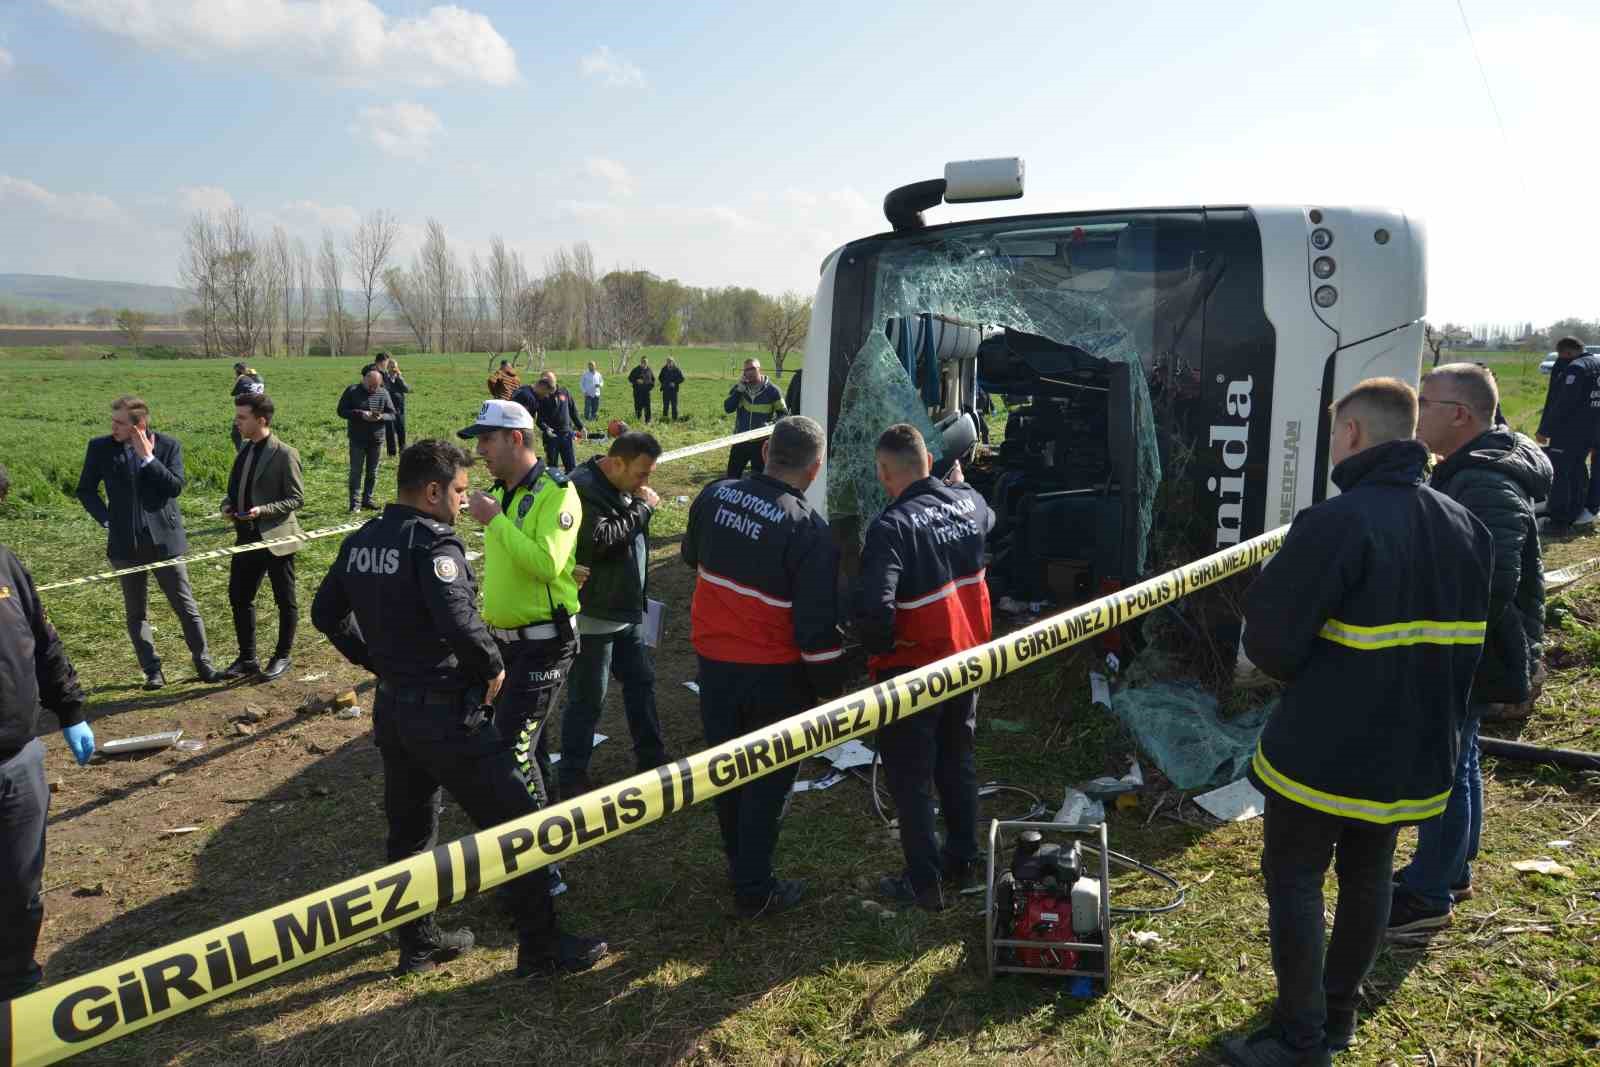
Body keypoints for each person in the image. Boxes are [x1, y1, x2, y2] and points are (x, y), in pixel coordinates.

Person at [1223, 378, 1491, 1066]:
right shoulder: (1467, 526)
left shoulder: (1337, 522)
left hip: (1324, 753)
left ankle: (1297, 1035)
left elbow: (1272, 643)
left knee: (1296, 876)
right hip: (1414, 751)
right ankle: (1338, 1016)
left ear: (1352, 434)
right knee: (1369, 874)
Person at [311, 440, 607, 978]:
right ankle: (541, 947)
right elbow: (462, 627)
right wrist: (493, 670)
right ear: (431, 492)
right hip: (447, 716)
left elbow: (324, 612)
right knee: (515, 822)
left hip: (395, 712)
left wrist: (378, 662)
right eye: (459, 491)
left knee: (410, 830)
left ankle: (418, 943)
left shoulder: (362, 542)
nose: (462, 502)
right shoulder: (433, 547)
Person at [1388, 365, 1550, 935]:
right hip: (1477, 647)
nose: (1416, 414)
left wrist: (1430, 632)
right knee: (1462, 756)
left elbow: (1490, 580)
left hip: (1475, 649)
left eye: (1426, 402)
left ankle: (1428, 894)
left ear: (1460, 415)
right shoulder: (1470, 469)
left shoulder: (1484, 481)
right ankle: (1450, 870)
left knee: (1447, 766)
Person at [682, 416, 844, 917]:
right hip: (774, 674)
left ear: (766, 450)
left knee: (726, 768)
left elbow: (690, 555)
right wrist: (830, 688)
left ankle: (738, 861)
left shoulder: (714, 495)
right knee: (768, 780)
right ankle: (754, 887)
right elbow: (815, 629)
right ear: (814, 470)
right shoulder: (809, 530)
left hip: (713, 661)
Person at [854, 425, 993, 911]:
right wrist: (956, 488)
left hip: (913, 673)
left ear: (884, 472)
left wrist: (880, 646)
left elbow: (875, 610)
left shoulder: (891, 527)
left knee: (911, 780)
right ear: (928, 461)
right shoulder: (971, 503)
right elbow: (985, 512)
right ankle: (964, 858)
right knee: (957, 761)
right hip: (968, 661)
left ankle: (924, 882)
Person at [459, 399, 583, 815]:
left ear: (516, 438)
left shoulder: (556, 492)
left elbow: (547, 565)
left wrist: (495, 521)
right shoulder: (500, 493)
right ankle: (550, 832)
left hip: (544, 645)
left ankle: (541, 865)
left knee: (511, 750)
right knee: (531, 747)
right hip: (504, 645)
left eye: (487, 439)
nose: (480, 451)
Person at [0, 463, 93, 1002]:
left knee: (20, 883)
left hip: (19, 759)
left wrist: (71, 709)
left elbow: (43, 640)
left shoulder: (6, 565)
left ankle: (19, 983)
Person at [75, 395, 219, 688]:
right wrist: (107, 519)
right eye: (112, 420)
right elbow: (86, 490)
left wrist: (148, 459)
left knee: (185, 605)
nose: (113, 426)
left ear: (139, 425)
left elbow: (175, 487)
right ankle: (152, 670)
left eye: (120, 422)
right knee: (136, 611)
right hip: (125, 546)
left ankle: (204, 663)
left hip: (164, 542)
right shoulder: (100, 448)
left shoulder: (167, 446)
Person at [559, 431, 669, 798]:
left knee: (641, 683)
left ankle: (652, 758)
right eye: (641, 474)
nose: (645, 483)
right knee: (589, 698)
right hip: (596, 612)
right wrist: (643, 508)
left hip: (625, 607)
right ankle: (572, 775)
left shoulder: (618, 484)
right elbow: (601, 541)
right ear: (617, 462)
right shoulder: (582, 488)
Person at [219, 393, 304, 682]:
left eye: (242, 417)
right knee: (239, 597)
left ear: (261, 420)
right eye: (237, 416)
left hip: (276, 539)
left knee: (285, 600)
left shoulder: (284, 453)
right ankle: (247, 658)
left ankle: (282, 656)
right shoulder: (244, 450)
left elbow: (296, 498)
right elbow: (233, 490)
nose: (237, 422)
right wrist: (228, 506)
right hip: (245, 538)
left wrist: (262, 511)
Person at [1535, 336, 1598, 532]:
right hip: (1593, 429)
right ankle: (1577, 510)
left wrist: (1545, 429)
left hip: (1571, 431)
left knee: (1562, 472)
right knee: (1579, 469)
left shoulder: (1576, 368)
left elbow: (1563, 404)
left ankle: (1559, 520)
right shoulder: (1597, 362)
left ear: (1566, 352)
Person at [338, 369, 396, 512]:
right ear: (364, 380)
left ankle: (367, 500)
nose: (373, 389)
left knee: (372, 472)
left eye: (376, 386)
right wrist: (360, 414)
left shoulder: (383, 393)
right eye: (370, 385)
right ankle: (355, 504)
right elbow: (341, 411)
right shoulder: (352, 391)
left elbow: (393, 414)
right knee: (356, 471)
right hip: (357, 438)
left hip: (376, 439)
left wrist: (381, 417)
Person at [724, 358, 788, 479]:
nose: (750, 372)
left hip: (761, 442)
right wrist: (739, 391)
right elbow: (728, 408)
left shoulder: (773, 391)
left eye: (753, 368)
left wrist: (771, 425)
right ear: (744, 373)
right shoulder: (739, 389)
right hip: (740, 439)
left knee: (759, 479)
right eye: (747, 369)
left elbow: (784, 415)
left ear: (760, 369)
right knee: (732, 476)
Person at [515, 371, 585, 475]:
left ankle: (572, 486)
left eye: (550, 381)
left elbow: (572, 410)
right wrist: (546, 429)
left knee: (571, 465)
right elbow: (539, 420)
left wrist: (581, 427)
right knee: (552, 467)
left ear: (554, 380)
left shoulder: (564, 392)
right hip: (551, 437)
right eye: (545, 381)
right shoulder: (541, 397)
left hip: (566, 434)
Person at [380, 354, 411, 457]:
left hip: (400, 409)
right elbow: (386, 388)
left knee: (401, 431)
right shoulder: (384, 378)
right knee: (390, 433)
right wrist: (390, 378)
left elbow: (407, 389)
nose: (393, 368)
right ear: (387, 367)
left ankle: (403, 453)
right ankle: (391, 454)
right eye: (391, 366)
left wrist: (399, 377)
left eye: (395, 366)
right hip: (389, 410)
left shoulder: (399, 378)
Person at [229, 362, 264, 451]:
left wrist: (238, 379)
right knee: (256, 434)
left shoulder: (243, 379)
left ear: (238, 371)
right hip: (260, 409)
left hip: (247, 411)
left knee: (235, 434)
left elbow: (232, 392)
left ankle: (244, 455)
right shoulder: (259, 377)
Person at [628, 357, 655, 424]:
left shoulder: (649, 370)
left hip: (646, 392)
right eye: (643, 362)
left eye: (645, 362)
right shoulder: (636, 369)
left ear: (647, 363)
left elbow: (653, 379)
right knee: (638, 406)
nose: (644, 363)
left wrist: (650, 387)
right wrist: (636, 380)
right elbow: (630, 378)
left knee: (647, 407)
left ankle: (648, 421)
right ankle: (638, 420)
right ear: (641, 362)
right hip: (638, 392)